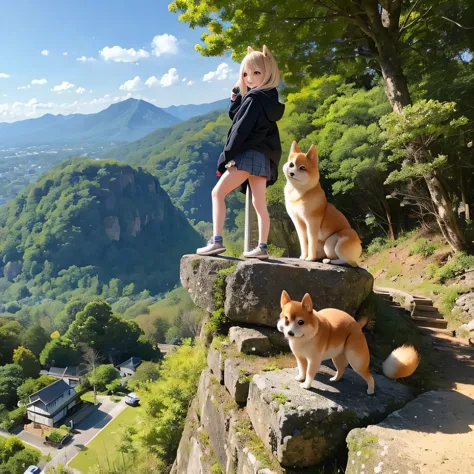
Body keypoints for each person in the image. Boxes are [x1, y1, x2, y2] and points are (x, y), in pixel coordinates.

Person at [197, 45, 285, 260]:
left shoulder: (254, 99)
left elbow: (239, 129)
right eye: (246, 74)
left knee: (217, 193)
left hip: (248, 155)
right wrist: (236, 98)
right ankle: (262, 247)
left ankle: (216, 241)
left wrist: (226, 157)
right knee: (259, 203)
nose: (250, 78)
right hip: (264, 158)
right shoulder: (267, 99)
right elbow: (238, 116)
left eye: (256, 72)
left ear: (268, 72)